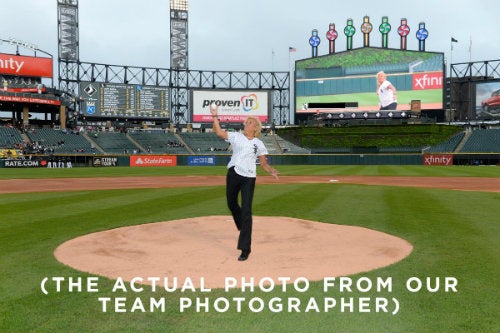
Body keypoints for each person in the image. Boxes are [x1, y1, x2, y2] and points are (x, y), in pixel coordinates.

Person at [210, 104, 279, 261]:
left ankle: (245, 249)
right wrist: (215, 116)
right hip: (233, 173)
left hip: (249, 178)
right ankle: (242, 225)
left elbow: (263, 163)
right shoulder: (236, 136)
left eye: (249, 122)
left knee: (247, 210)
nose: (246, 124)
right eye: (246, 122)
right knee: (231, 203)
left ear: (255, 127)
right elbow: (219, 132)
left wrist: (271, 170)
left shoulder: (259, 144)